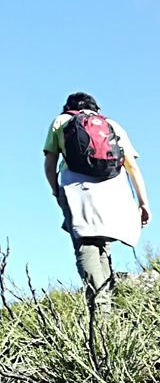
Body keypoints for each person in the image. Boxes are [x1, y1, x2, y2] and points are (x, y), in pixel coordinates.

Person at [42, 92, 151, 314]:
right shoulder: (112, 125)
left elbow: (49, 163)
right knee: (103, 244)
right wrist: (143, 202)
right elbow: (132, 167)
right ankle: (107, 303)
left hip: (77, 191)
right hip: (114, 192)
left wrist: (56, 192)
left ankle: (100, 312)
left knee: (86, 246)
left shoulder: (61, 122)